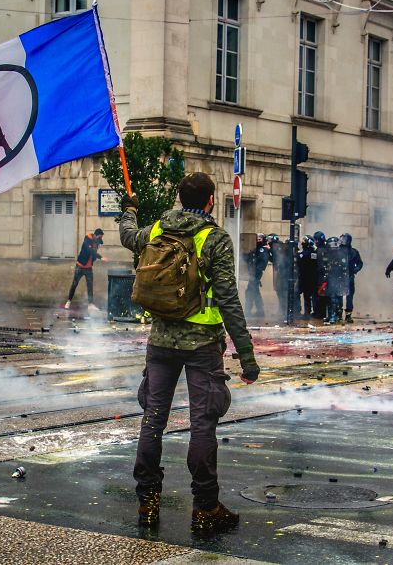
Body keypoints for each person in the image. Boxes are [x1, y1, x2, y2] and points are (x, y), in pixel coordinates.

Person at [118, 173, 260, 534]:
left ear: (180, 198)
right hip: (201, 346)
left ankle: (147, 501)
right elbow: (227, 299)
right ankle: (205, 506)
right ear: (211, 200)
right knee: (202, 424)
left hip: (161, 341)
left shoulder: (157, 230)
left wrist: (129, 210)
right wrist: (247, 356)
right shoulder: (214, 238)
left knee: (153, 420)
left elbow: (127, 236)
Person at [64, 228, 108, 310]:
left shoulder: (97, 242)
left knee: (90, 286)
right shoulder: (87, 239)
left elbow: (94, 252)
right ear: (95, 235)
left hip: (89, 268)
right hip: (80, 266)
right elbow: (90, 251)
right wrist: (101, 257)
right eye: (99, 237)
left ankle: (90, 305)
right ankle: (68, 301)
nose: (99, 240)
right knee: (74, 284)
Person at [338, 233, 364, 323]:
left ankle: (348, 316)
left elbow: (360, 263)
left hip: (349, 276)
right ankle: (339, 314)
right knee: (339, 296)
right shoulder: (337, 251)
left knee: (349, 297)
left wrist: (355, 270)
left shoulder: (353, 252)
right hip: (339, 277)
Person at [245, 234, 270, 318]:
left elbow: (262, 262)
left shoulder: (263, 250)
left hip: (256, 274)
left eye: (259, 239)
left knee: (250, 292)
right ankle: (260, 311)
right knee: (255, 292)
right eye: (257, 239)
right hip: (254, 274)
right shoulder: (258, 249)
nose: (258, 241)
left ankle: (248, 310)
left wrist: (256, 274)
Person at [268, 234, 290, 320]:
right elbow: (273, 259)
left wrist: (270, 251)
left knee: (282, 292)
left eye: (270, 239)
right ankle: (281, 311)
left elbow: (279, 259)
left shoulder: (278, 247)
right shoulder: (275, 247)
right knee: (279, 292)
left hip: (284, 273)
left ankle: (284, 312)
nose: (268, 241)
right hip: (280, 272)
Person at [298, 235, 318, 318]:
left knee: (306, 296)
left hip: (305, 278)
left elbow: (299, 260)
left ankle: (307, 313)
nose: (302, 243)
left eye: (304, 241)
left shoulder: (305, 254)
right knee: (311, 296)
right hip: (313, 278)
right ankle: (311, 312)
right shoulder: (314, 253)